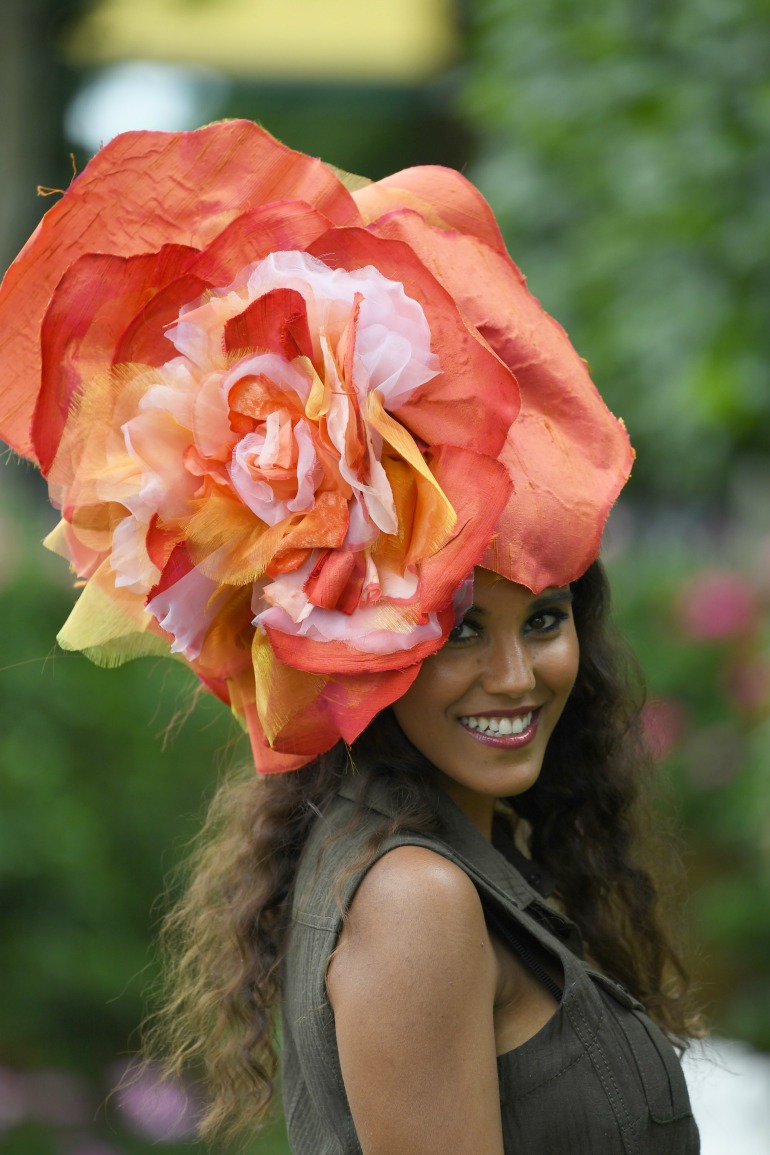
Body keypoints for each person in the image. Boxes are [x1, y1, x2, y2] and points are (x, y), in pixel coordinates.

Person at [0, 121, 701, 1153]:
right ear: (377, 642)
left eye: (543, 621)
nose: (517, 674)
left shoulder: (449, 856)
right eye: (462, 631)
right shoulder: (416, 896)